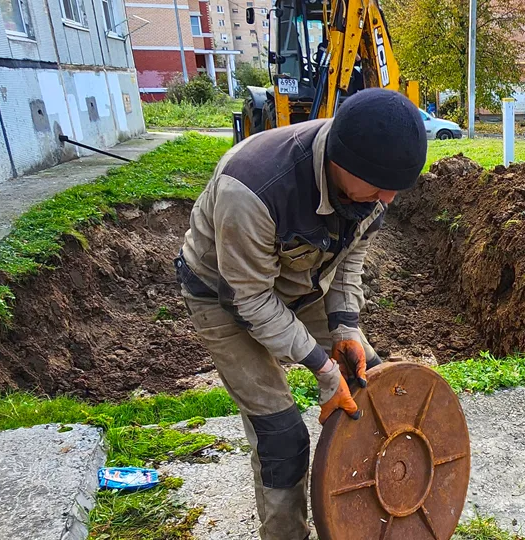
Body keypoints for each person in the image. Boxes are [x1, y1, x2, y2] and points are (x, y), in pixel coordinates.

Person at [175, 88, 428, 540]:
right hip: (223, 294)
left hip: (298, 281)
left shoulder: (370, 188)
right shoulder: (252, 186)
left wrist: (345, 327)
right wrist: (320, 366)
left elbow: (349, 259)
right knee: (282, 435)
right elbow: (249, 301)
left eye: (394, 188)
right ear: (341, 162)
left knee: (368, 380)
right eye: (379, 187)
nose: (387, 199)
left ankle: (367, 517)